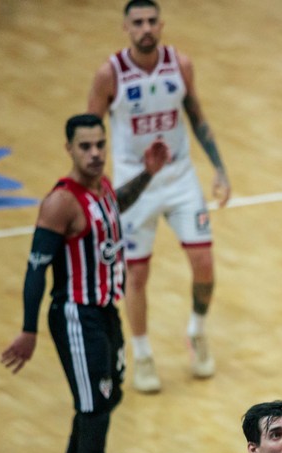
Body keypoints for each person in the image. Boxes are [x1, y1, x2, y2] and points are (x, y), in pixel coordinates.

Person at [1, 113, 169, 453]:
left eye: (100, 145)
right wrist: (27, 329)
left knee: (107, 398)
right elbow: (36, 269)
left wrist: (148, 174)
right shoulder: (60, 203)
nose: (95, 154)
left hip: (105, 313)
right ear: (69, 149)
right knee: (94, 409)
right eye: (86, 147)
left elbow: (118, 206)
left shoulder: (103, 187)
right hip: (76, 316)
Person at [87, 0, 231, 393]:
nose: (146, 28)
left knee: (204, 266)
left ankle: (196, 331)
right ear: (126, 28)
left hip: (180, 179)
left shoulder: (180, 65)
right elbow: (90, 131)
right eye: (138, 22)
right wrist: (93, 185)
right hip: (136, 186)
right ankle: (144, 353)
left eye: (152, 21)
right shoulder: (110, 74)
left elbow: (197, 117)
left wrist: (219, 167)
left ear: (161, 24)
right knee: (137, 273)